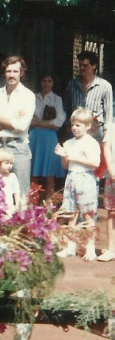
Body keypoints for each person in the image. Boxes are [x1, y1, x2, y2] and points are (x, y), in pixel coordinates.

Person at [0, 55, 35, 201]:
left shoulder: (28, 95)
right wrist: (12, 120)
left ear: (21, 73)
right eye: (8, 71)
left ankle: (22, 222)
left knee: (22, 193)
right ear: (4, 72)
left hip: (18, 146)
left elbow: (22, 126)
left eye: (15, 71)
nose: (11, 75)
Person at [54, 108, 100, 261]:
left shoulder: (91, 142)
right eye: (73, 124)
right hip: (72, 177)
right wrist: (64, 156)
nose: (74, 128)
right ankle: (70, 246)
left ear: (87, 126)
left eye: (78, 125)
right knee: (71, 214)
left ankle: (90, 247)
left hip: (86, 178)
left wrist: (75, 157)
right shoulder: (68, 142)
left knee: (87, 214)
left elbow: (95, 163)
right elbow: (66, 166)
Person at [28, 72, 66, 200]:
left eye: (49, 81)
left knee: (50, 174)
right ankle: (32, 205)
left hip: (50, 138)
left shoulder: (57, 99)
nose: (46, 84)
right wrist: (48, 123)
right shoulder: (33, 97)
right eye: (44, 80)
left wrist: (38, 122)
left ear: (53, 83)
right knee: (34, 173)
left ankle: (49, 208)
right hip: (34, 138)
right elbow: (28, 120)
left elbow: (59, 122)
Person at [65, 50, 112, 141]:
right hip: (75, 133)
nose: (82, 68)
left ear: (94, 66)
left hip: (96, 133)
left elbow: (108, 114)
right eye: (80, 65)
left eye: (85, 65)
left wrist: (107, 135)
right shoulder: (72, 84)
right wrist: (68, 127)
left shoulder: (105, 86)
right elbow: (66, 108)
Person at [99, 123, 115, 262]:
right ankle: (111, 249)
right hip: (113, 175)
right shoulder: (112, 126)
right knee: (112, 212)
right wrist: (111, 169)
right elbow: (107, 148)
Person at [0, 148, 21, 215]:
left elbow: (16, 192)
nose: (10, 166)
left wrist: (16, 205)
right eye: (7, 163)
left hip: (9, 207)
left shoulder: (12, 176)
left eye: (11, 163)